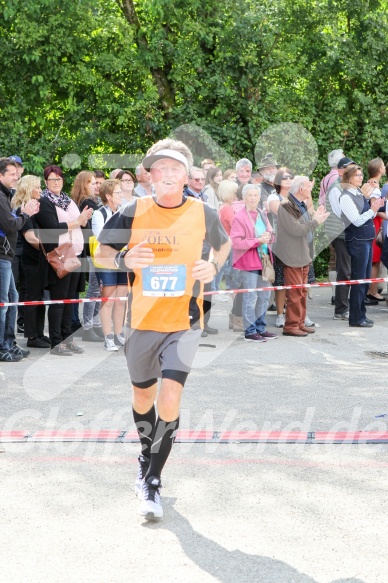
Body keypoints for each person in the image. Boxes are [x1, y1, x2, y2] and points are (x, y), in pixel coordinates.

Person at [95, 139, 230, 521]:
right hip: (142, 322)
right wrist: (124, 257)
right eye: (160, 169)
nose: (167, 174)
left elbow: (224, 245)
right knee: (143, 399)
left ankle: (152, 479)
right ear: (149, 176)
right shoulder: (132, 210)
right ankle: (145, 452)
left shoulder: (204, 212)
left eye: (175, 169)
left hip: (184, 322)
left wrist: (213, 266)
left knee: (170, 398)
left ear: (187, 176)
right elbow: (101, 251)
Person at [34, 165, 93, 355]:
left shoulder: (68, 200)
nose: (56, 183)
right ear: (46, 182)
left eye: (59, 179)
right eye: (52, 179)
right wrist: (78, 221)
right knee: (59, 300)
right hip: (60, 256)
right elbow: (52, 227)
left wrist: (84, 220)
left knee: (71, 299)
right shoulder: (44, 201)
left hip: (75, 255)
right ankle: (56, 342)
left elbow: (82, 225)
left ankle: (67, 339)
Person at [276, 176, 329, 337]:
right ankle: (291, 325)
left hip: (303, 254)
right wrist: (316, 222)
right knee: (294, 293)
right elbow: (296, 230)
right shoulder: (286, 206)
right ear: (301, 189)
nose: (310, 189)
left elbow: (305, 226)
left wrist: (315, 217)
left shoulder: (300, 205)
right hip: (292, 256)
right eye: (308, 187)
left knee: (302, 292)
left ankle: (299, 323)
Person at [0, 158, 40, 362]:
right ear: (1, 175)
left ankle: (9, 343)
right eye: (12, 174)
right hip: (2, 257)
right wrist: (25, 214)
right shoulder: (1, 196)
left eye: (17, 174)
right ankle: (2, 346)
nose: (16, 177)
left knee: (12, 300)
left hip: (6, 257)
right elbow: (9, 226)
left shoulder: (6, 195)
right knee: (4, 303)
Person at [230, 184, 277, 342]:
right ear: (243, 198)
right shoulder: (239, 217)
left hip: (264, 260)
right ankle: (249, 331)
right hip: (248, 262)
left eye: (255, 195)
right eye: (249, 195)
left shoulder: (263, 214)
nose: (252, 198)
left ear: (259, 197)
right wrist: (257, 241)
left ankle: (261, 328)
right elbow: (235, 243)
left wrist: (270, 237)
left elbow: (270, 234)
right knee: (250, 297)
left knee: (264, 296)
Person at [339, 165, 382, 327]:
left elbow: (369, 212)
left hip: (366, 240)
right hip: (357, 241)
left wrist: (375, 205)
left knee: (364, 280)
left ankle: (361, 314)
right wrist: (372, 210)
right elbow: (356, 220)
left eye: (361, 174)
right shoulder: (346, 197)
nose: (360, 177)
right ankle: (356, 317)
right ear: (348, 178)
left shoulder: (358, 194)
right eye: (357, 175)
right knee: (358, 279)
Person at [11, 175, 50, 348]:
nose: (41, 190)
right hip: (31, 260)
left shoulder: (35, 208)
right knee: (32, 297)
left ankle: (40, 333)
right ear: (28, 188)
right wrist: (50, 249)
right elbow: (30, 238)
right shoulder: (22, 209)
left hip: (39, 259)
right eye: (38, 187)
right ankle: (32, 336)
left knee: (39, 297)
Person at [92, 179, 127, 351]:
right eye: (118, 193)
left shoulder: (124, 212)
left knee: (121, 299)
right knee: (109, 300)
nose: (121, 195)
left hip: (123, 260)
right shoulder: (99, 214)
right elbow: (102, 238)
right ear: (108, 196)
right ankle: (108, 336)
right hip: (106, 261)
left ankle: (120, 333)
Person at [324, 156, 361, 320]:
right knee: (344, 271)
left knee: (349, 270)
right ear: (340, 171)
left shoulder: (350, 187)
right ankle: (340, 309)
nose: (353, 171)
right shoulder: (336, 188)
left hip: (350, 234)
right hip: (340, 234)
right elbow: (342, 213)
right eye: (349, 168)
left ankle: (346, 306)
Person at [183, 167, 218, 335]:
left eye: (202, 179)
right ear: (188, 180)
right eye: (196, 179)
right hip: (191, 249)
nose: (199, 182)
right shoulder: (184, 198)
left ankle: (205, 321)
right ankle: (194, 322)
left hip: (206, 248)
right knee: (194, 288)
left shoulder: (204, 197)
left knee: (207, 287)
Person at [71, 171, 103, 342]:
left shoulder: (79, 201)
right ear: (84, 185)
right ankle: (89, 326)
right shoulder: (89, 203)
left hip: (88, 248)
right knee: (94, 289)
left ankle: (95, 325)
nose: (96, 186)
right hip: (92, 249)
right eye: (92, 183)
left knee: (97, 289)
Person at [268, 167, 294, 327]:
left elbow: (308, 213)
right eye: (285, 178)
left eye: (291, 177)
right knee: (281, 281)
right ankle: (279, 314)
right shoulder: (273, 197)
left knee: (299, 280)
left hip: (298, 242)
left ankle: (299, 314)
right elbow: (283, 214)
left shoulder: (296, 196)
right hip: (281, 243)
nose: (289, 180)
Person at [366, 158, 387, 301]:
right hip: (375, 224)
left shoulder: (375, 185)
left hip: (378, 223)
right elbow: (374, 209)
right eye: (383, 166)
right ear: (379, 169)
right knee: (375, 260)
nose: (385, 167)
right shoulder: (374, 187)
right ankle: (371, 291)